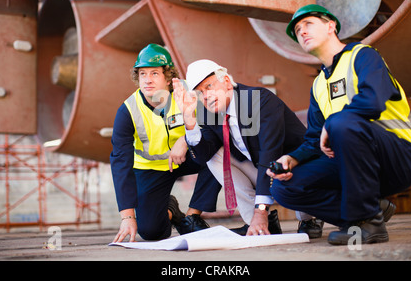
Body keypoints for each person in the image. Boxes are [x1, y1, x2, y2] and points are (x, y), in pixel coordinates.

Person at [268, 4, 411, 245]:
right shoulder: (319, 84)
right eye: (298, 30)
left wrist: (332, 123)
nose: (302, 32)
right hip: (353, 168)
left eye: (308, 24)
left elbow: (372, 100)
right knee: (284, 188)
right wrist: (293, 159)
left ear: (331, 26)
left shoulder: (363, 56)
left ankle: (368, 222)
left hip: (398, 158)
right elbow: (313, 140)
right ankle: (372, 210)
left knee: (341, 122)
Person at [173, 59, 307, 236]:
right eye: (199, 93)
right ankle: (255, 222)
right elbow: (202, 156)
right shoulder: (210, 112)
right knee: (215, 157)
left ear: (227, 82)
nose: (205, 96)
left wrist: (262, 211)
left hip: (294, 168)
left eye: (209, 86)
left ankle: (309, 220)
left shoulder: (260, 100)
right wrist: (189, 122)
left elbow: (270, 153)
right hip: (262, 170)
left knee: (305, 217)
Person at [110, 44, 221, 242]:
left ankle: (192, 216)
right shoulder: (127, 111)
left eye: (154, 73)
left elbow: (216, 129)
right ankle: (171, 209)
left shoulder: (190, 93)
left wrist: (185, 139)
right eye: (142, 73)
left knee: (220, 151)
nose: (147, 79)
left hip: (188, 157)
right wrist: (127, 217)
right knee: (151, 231)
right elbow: (120, 162)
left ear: (168, 77)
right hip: (150, 168)